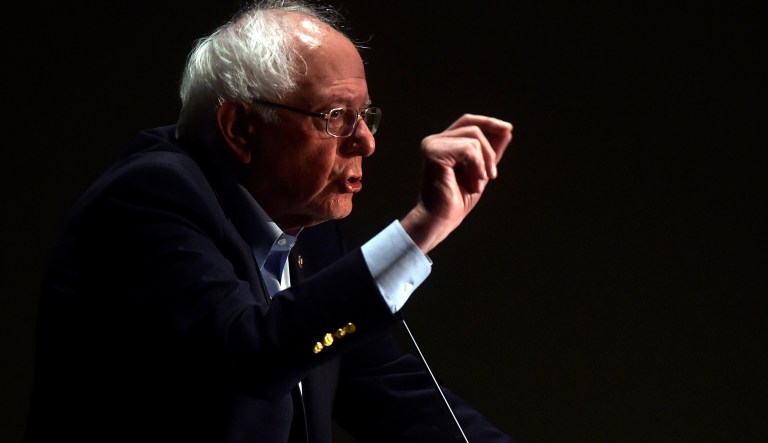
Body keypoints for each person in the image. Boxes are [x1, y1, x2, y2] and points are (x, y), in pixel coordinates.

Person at [24, 1, 514, 441]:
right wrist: (423, 227)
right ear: (239, 128)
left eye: (366, 116)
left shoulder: (309, 228)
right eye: (336, 115)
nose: (366, 141)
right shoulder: (149, 199)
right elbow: (252, 352)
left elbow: (389, 389)